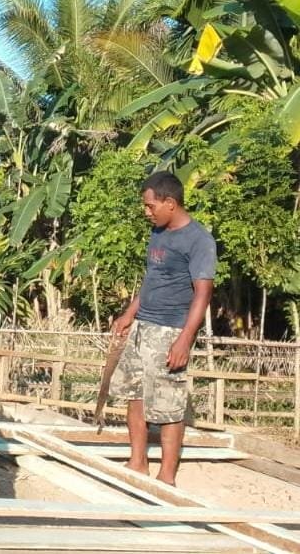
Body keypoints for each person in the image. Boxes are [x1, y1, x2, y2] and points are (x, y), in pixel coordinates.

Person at [110, 171, 216, 486]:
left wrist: (184, 339)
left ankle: (167, 476)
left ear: (170, 203)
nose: (147, 212)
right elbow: (151, 278)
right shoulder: (158, 232)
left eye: (150, 206)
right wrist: (130, 314)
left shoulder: (199, 240)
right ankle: (137, 462)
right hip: (143, 326)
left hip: (170, 330)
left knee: (169, 405)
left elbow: (203, 294)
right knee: (135, 394)